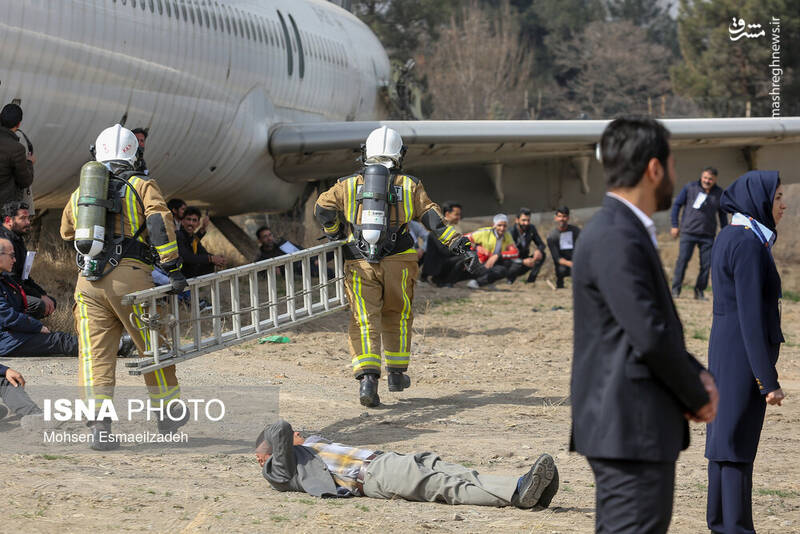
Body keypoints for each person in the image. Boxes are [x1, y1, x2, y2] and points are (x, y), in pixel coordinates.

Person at [571, 117, 718, 533]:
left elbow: (645, 327)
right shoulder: (617, 234)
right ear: (654, 169)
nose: (675, 174)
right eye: (672, 164)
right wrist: (697, 392)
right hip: (628, 423)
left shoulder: (623, 229)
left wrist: (697, 373)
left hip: (630, 424)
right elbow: (648, 334)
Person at [314, 126, 477, 407]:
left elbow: (322, 208)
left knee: (364, 319)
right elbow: (433, 219)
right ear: (399, 155)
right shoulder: (410, 185)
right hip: (400, 262)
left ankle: (367, 380)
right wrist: (458, 245)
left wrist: (336, 230)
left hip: (359, 260)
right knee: (398, 314)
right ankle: (397, 374)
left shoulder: (347, 185)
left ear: (366, 153)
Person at [60, 124, 189, 450]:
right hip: (131, 278)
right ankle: (167, 415)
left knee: (94, 355)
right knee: (153, 346)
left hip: (88, 283)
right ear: (135, 154)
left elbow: (66, 233)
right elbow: (160, 223)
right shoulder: (142, 185)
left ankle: (99, 428)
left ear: (97, 153)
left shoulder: (80, 194)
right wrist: (172, 268)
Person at [705, 171, 786, 534]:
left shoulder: (730, 236)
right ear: (759, 199)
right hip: (741, 352)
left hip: (725, 347)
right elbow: (751, 317)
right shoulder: (749, 245)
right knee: (735, 443)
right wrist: (767, 380)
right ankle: (735, 528)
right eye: (778, 196)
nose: (783, 204)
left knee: (724, 441)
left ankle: (721, 523)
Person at [256, 419, 559, 509]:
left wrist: (305, 440)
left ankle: (526, 487)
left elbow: (290, 434)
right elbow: (280, 428)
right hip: (373, 475)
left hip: (385, 460)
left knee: (458, 472)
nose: (300, 432)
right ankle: (518, 495)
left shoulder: (311, 446)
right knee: (444, 486)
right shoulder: (279, 471)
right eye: (296, 435)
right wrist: (265, 447)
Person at [0, 237, 77, 358]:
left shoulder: (5, 279)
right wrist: (36, 326)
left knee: (57, 339)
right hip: (4, 341)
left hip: (8, 334)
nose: (14, 260)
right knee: (58, 341)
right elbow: (7, 316)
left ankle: (110, 346)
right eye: (11, 256)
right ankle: (107, 347)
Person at [670, 166, 728, 300]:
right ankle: (675, 290)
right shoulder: (690, 188)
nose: (707, 181)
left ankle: (699, 291)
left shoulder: (719, 193)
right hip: (688, 231)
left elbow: (722, 215)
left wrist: (725, 232)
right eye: (705, 178)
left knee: (706, 264)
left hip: (708, 234)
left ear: (715, 180)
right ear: (701, 177)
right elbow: (677, 205)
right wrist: (674, 225)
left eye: (710, 179)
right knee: (682, 261)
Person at [0, 202, 56, 318]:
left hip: (13, 288)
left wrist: (42, 294)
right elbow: (11, 279)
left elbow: (23, 276)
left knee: (50, 301)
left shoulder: (17, 238)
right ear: (8, 220)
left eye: (28, 218)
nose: (28, 222)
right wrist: (39, 297)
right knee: (39, 305)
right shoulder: (4, 242)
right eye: (23, 218)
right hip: (4, 294)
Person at [465, 214, 524, 289]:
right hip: (480, 261)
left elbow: (515, 252)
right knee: (500, 269)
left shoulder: (507, 235)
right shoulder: (485, 232)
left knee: (515, 264)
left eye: (504, 226)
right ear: (494, 225)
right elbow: (463, 239)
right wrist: (475, 249)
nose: (502, 228)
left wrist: (497, 255)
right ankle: (476, 282)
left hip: (493, 262)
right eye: (499, 225)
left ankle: (483, 282)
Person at [420, 201, 468, 287]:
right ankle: (442, 281)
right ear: (447, 214)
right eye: (456, 214)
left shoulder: (455, 227)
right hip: (437, 266)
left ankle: (448, 281)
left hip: (446, 261)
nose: (459, 217)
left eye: (459, 215)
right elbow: (444, 251)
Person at [177, 206, 226, 278]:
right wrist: (211, 258)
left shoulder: (192, 237)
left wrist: (218, 259)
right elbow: (187, 257)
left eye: (194, 220)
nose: (191, 223)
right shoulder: (178, 235)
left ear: (198, 223)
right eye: (188, 219)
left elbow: (202, 252)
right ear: (182, 221)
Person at [0, 103, 34, 203]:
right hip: (4, 208)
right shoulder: (17, 149)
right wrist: (29, 162)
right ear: (18, 124)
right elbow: (25, 181)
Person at [508, 208, 547, 284]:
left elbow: (541, 244)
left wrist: (538, 250)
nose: (526, 223)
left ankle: (531, 281)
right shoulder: (510, 232)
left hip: (526, 260)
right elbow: (507, 255)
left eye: (528, 220)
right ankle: (509, 281)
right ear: (517, 220)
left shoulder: (531, 228)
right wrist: (522, 261)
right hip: (513, 263)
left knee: (542, 255)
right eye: (523, 220)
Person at [547, 207, 580, 289]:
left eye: (564, 216)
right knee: (561, 270)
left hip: (576, 260)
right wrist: (571, 264)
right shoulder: (552, 236)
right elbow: (557, 258)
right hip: (563, 264)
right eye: (559, 216)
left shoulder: (576, 231)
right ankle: (560, 283)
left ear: (568, 218)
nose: (562, 219)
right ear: (555, 218)